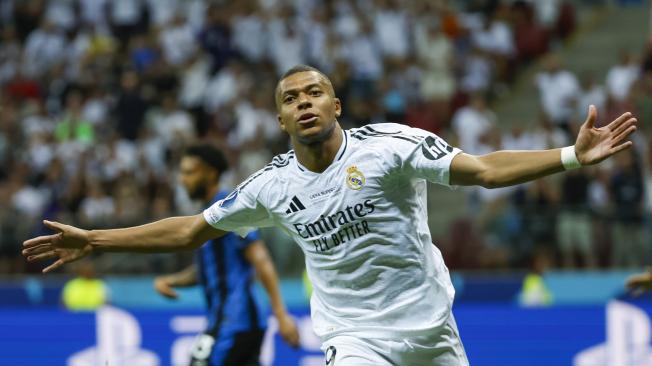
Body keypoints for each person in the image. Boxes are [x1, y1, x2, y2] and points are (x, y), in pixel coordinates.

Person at [23, 65, 637, 365]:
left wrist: (569, 157)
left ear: (335, 103)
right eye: (290, 99)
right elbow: (189, 230)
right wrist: (98, 241)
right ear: (280, 120)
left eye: (314, 92)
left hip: (432, 329)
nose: (304, 102)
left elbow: (485, 170)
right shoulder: (269, 186)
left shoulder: (391, 147)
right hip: (354, 338)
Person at [153, 144, 299, 366]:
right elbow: (207, 269)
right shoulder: (207, 214)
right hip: (230, 321)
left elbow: (260, 258)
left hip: (236, 321)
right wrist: (171, 280)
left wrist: (281, 314)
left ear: (210, 173)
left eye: (190, 172)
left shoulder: (231, 208)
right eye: (181, 173)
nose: (183, 180)